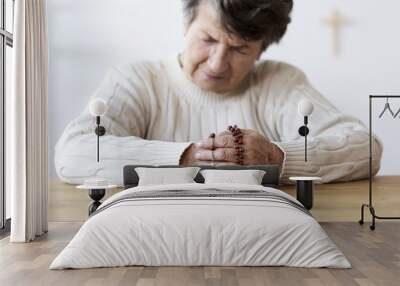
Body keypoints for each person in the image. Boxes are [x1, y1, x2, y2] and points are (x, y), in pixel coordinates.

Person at [55, 0, 382, 186]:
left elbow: (365, 148)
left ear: (260, 52)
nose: (217, 63)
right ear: (185, 27)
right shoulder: (135, 79)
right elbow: (74, 154)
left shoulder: (280, 81)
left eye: (239, 49)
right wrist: (187, 158)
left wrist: (275, 157)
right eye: (208, 39)